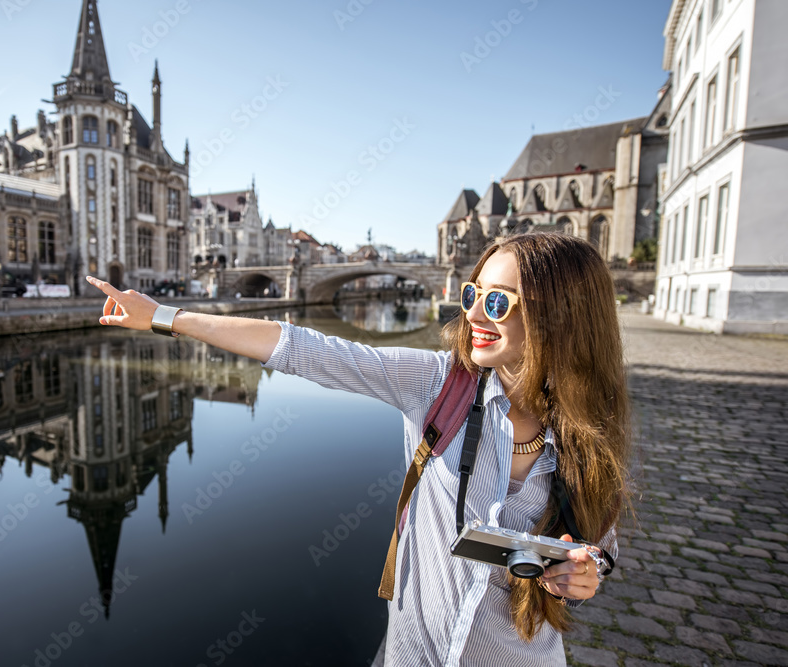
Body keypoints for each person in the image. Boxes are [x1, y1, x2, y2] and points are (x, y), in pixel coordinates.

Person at [86, 233, 630, 667]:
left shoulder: (588, 433)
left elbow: (597, 547)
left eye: (497, 301)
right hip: (414, 653)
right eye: (471, 294)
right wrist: (164, 316)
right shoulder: (435, 384)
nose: (473, 314)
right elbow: (305, 349)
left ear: (560, 315)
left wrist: (586, 573)